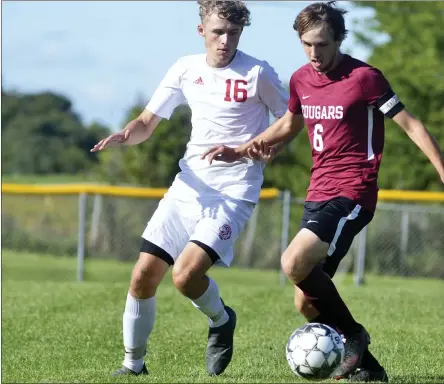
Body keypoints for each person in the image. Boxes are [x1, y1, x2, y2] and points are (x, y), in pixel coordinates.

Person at [202, 1, 444, 382]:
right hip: (317, 192)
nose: (315, 53)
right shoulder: (300, 79)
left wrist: (441, 168)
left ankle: (354, 336)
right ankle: (369, 370)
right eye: (307, 44)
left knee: (292, 262)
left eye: (322, 45)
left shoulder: (365, 77)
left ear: (338, 39)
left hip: (353, 192)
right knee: (306, 300)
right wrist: (240, 150)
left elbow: (410, 124)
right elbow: (288, 126)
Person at [91, 0, 289, 377]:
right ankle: (132, 366)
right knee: (142, 276)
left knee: (185, 277)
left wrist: (268, 148)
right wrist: (125, 135)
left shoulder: (258, 72)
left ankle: (220, 320)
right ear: (202, 31)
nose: (225, 40)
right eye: (217, 32)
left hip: (234, 192)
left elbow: (289, 120)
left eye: (233, 33)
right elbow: (147, 122)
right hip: (188, 188)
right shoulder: (185, 68)